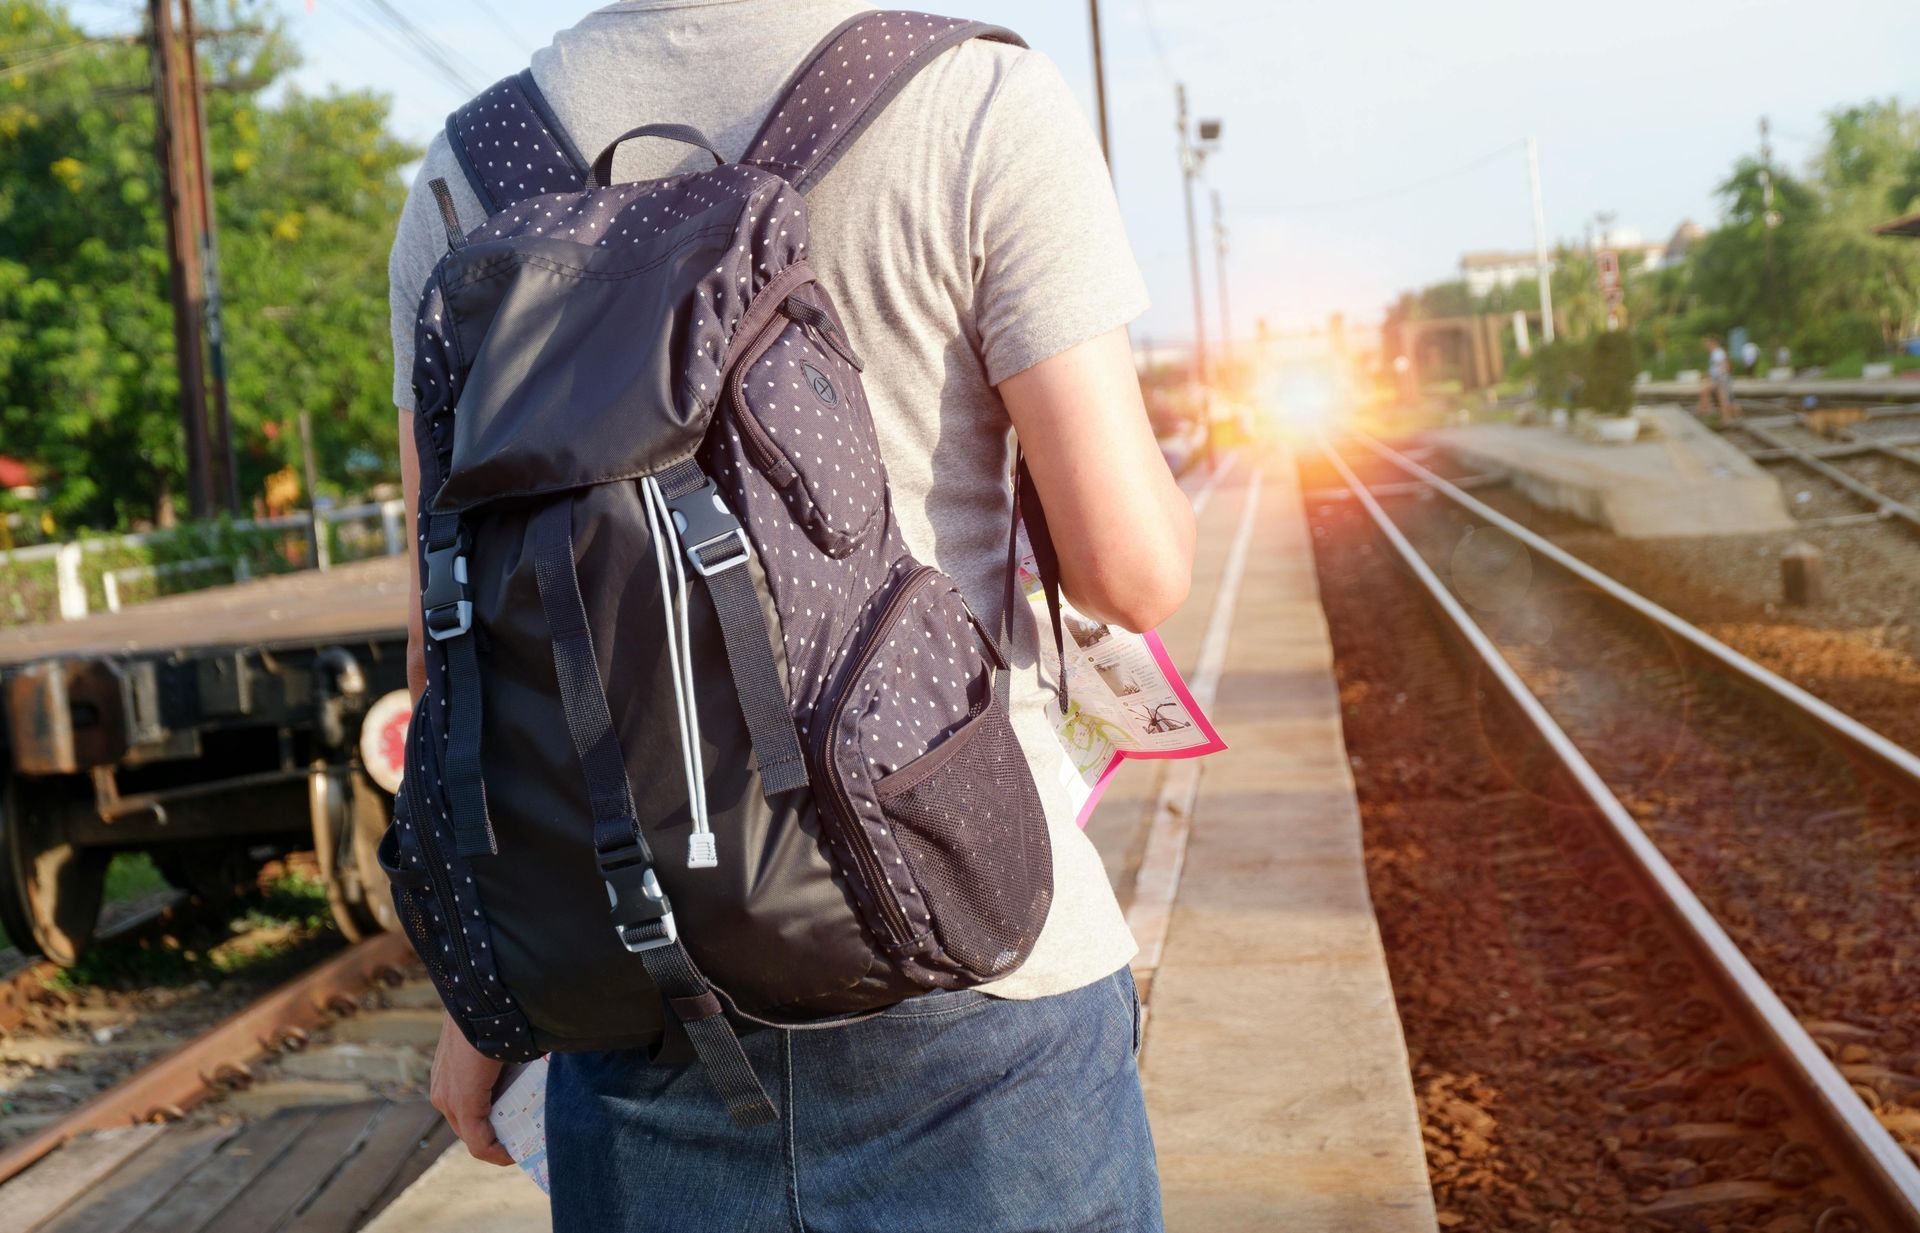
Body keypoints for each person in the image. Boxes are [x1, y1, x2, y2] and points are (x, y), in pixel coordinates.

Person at [386, 4, 1194, 1230]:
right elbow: (1133, 572)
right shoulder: (973, 98)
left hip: (638, 988)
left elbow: (457, 657)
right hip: (978, 975)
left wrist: (480, 1000)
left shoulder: (462, 177)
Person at [1699, 335, 1739, 421]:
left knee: (1723, 398)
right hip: (1719, 378)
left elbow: (1722, 365)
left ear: (1713, 343)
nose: (1706, 346)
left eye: (1707, 344)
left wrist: (1719, 377)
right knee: (1722, 397)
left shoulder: (1717, 352)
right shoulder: (1716, 352)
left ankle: (1726, 417)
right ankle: (1710, 412)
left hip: (1720, 378)